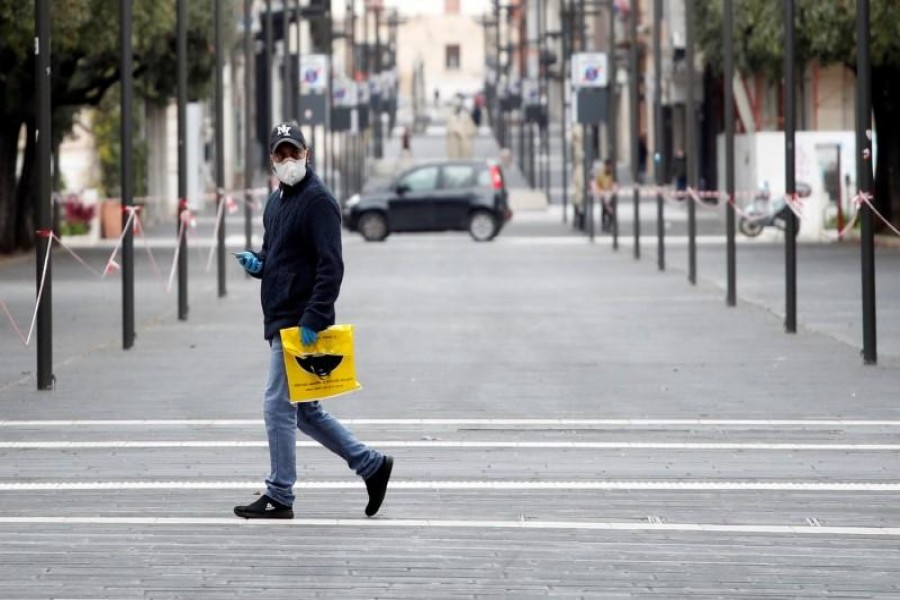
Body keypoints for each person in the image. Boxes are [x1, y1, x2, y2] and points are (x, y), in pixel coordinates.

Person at [232, 122, 393, 520]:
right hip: (280, 318)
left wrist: (314, 317)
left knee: (276, 406)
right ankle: (371, 465)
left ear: (308, 153)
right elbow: (276, 256)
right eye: (280, 154)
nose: (288, 160)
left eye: (294, 152)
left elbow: (331, 266)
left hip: (298, 323)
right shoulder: (276, 202)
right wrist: (259, 264)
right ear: (271, 159)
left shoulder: (319, 201)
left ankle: (280, 494)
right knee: (305, 412)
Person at [592, 159, 615, 232]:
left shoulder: (613, 174)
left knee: (611, 210)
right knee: (604, 210)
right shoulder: (601, 174)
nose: (609, 167)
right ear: (605, 166)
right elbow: (597, 184)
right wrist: (600, 192)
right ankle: (604, 224)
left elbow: (615, 184)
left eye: (610, 166)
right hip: (603, 195)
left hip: (611, 195)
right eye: (608, 166)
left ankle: (610, 224)